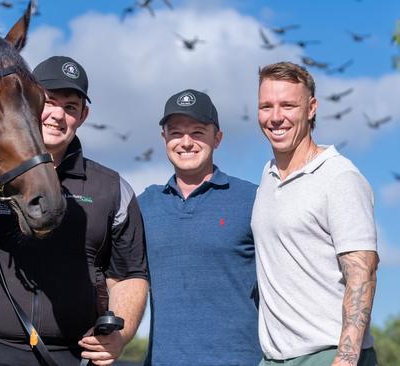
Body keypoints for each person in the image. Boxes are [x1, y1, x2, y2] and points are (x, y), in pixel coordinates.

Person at [0, 55, 149, 366]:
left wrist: (120, 334)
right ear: (28, 101)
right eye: (50, 102)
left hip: (72, 354)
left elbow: (130, 274)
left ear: (83, 116)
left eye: (70, 107)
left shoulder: (112, 189)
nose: (57, 115)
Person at [253, 61, 379, 366]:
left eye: (287, 105)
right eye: (266, 106)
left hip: (328, 355)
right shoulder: (268, 176)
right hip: (274, 359)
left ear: (311, 108)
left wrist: (346, 359)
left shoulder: (339, 177)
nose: (275, 117)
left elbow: (363, 273)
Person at [137, 89, 261, 365]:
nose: (186, 142)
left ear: (217, 138)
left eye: (197, 132)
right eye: (176, 133)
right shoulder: (143, 205)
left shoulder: (253, 199)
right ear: (164, 139)